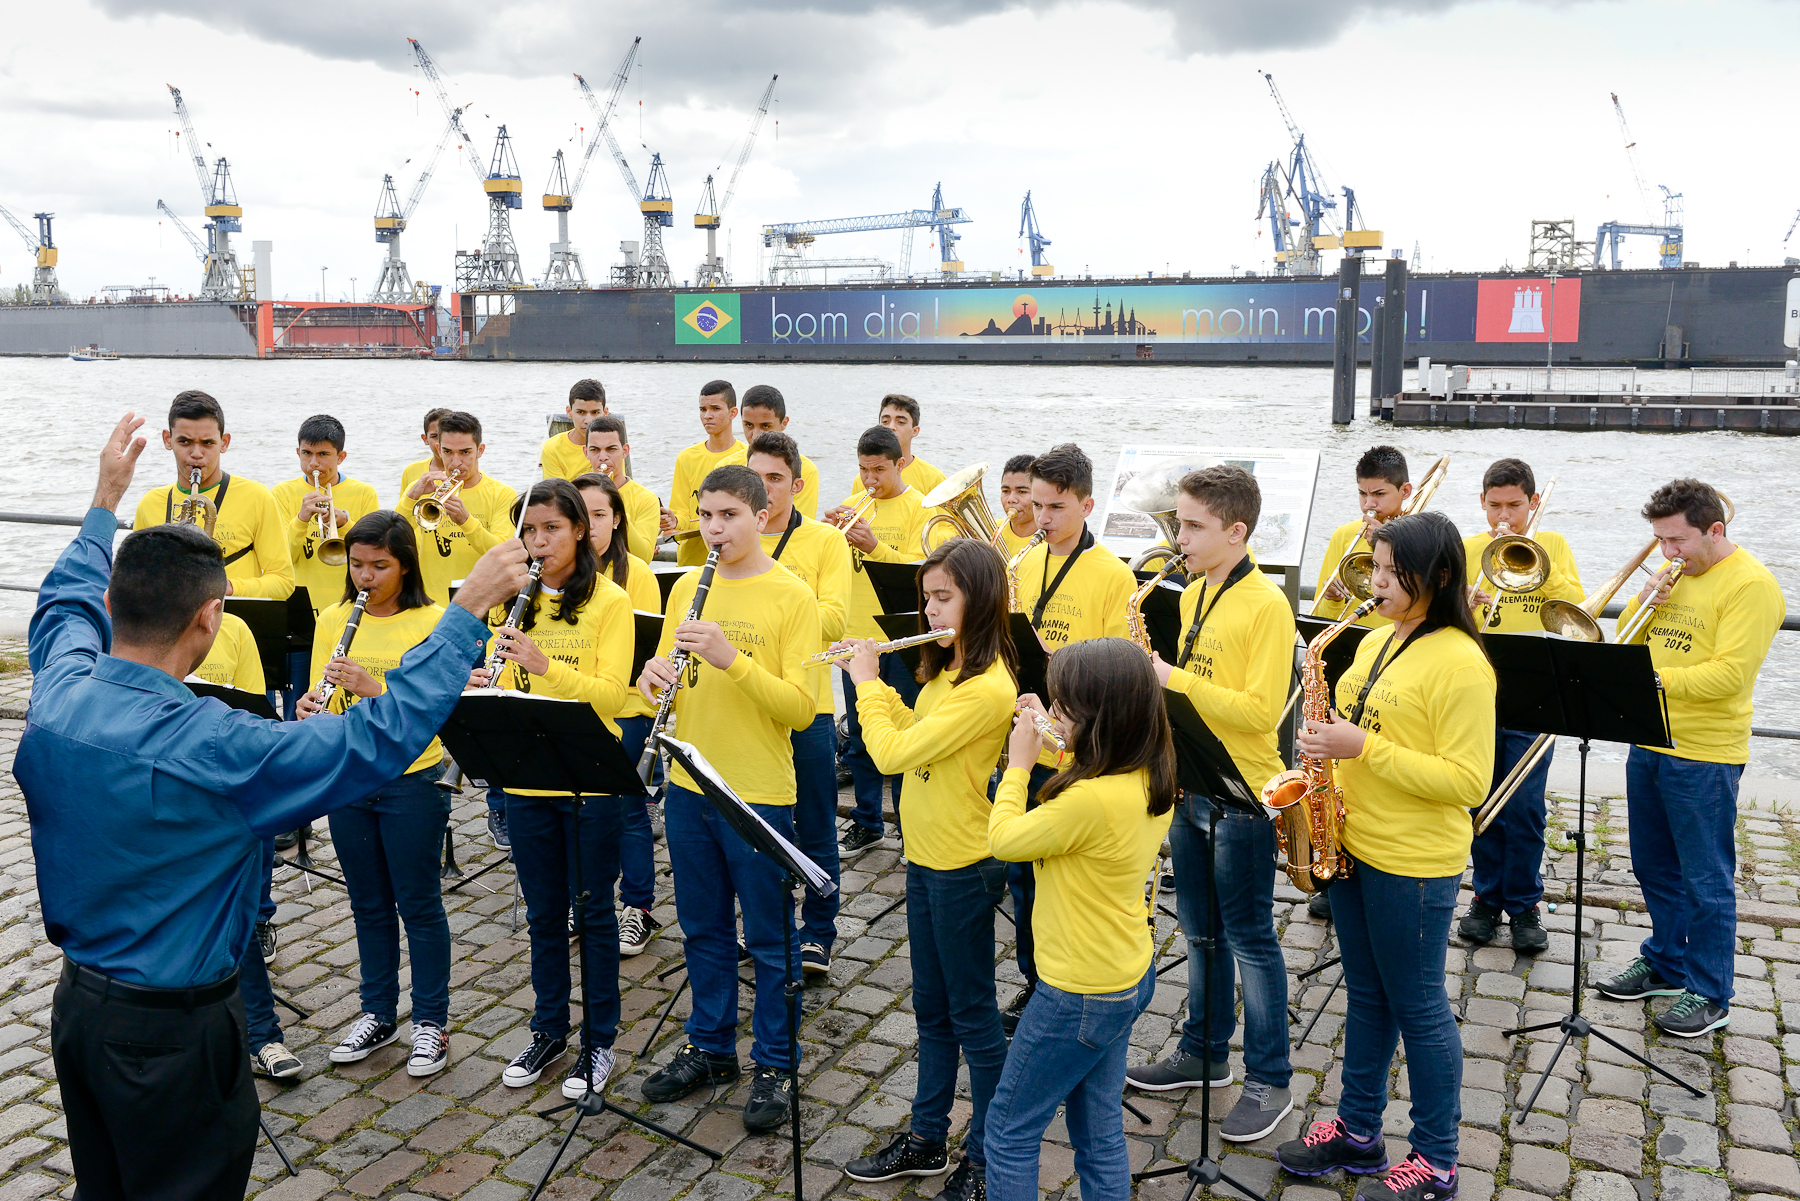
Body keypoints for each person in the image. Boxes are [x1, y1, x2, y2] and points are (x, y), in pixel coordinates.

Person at [20, 413, 525, 1201]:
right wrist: (468, 613)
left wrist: (103, 504)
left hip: (79, 1008)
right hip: (176, 1032)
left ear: (114, 604)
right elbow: (377, 738)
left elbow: (59, 607)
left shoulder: (56, 688)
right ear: (210, 617)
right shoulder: (214, 745)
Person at [1274, 510, 1495, 1201]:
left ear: (1439, 576)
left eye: (1393, 572)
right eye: (1374, 567)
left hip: (1414, 861)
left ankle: (1437, 1160)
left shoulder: (1461, 663)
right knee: (1367, 994)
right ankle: (1360, 1130)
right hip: (1352, 843)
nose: (1376, 583)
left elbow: (1469, 783)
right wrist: (1323, 757)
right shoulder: (1374, 639)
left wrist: (1362, 747)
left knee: (1420, 1006)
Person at [637, 465, 819, 1132]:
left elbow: (801, 709)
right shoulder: (686, 586)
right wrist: (651, 678)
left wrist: (730, 658)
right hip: (689, 784)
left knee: (770, 938)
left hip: (757, 791)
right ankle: (711, 1046)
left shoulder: (792, 596)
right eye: (706, 515)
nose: (715, 528)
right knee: (703, 928)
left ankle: (775, 1062)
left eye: (729, 515)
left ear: (762, 516)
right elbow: (666, 686)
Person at [842, 539, 1018, 1201]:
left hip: (962, 865)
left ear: (982, 600)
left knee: (973, 1016)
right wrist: (884, 689)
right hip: (926, 855)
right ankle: (926, 1137)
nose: (930, 609)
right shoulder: (948, 670)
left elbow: (891, 754)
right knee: (931, 1009)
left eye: (944, 597)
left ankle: (988, 1158)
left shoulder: (987, 687)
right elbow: (915, 733)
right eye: (927, 597)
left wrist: (866, 684)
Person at [1126, 466, 1298, 1142]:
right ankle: (1204, 1051)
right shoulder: (1194, 590)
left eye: (1194, 526)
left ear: (1237, 531)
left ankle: (1270, 1078)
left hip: (1243, 792)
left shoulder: (1266, 604)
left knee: (1250, 939)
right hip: (1191, 779)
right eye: (1179, 523)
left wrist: (1172, 677)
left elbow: (1259, 712)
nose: (1180, 537)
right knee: (1198, 932)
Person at [983, 639, 1177, 1201]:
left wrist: (1019, 765)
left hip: (1077, 992)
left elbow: (1005, 839)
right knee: (1098, 1131)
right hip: (1124, 974)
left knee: (1009, 1131)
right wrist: (1052, 731)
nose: (1052, 711)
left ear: (1098, 719)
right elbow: (1085, 776)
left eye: (1062, 706)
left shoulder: (1088, 803)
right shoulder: (1147, 772)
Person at [1593, 479, 1784, 1038]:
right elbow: (1632, 643)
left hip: (1704, 752)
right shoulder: (1673, 574)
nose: (1667, 552)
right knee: (1653, 866)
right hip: (1650, 739)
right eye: (1660, 540)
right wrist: (1644, 604)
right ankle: (1665, 963)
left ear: (1714, 530)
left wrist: (1649, 682)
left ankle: (1709, 992)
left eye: (1677, 540)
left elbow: (1730, 676)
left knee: (1705, 879)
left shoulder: (1751, 586)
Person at [476, 480, 638, 1096]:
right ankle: (548, 1029)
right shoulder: (512, 599)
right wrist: (485, 682)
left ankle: (600, 1041)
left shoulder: (611, 600)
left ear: (579, 530)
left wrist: (545, 666)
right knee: (543, 914)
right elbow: (506, 686)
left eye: (551, 528)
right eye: (529, 530)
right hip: (527, 775)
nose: (539, 541)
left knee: (593, 913)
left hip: (589, 778)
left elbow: (613, 696)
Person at [295, 513, 457, 1077]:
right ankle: (378, 1012)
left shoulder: (432, 621)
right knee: (367, 902)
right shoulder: (333, 618)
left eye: (380, 566)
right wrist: (310, 708)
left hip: (414, 779)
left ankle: (431, 1022)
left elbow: (437, 709)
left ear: (406, 565)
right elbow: (318, 691)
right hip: (350, 774)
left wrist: (373, 687)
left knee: (419, 903)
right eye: (357, 565)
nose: (365, 576)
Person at [1001, 442, 1136, 1028]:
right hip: (1030, 733)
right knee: (1022, 880)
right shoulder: (1026, 560)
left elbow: (1118, 673)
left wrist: (1054, 661)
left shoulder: (1113, 574)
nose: (1042, 518)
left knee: (1062, 883)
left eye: (1056, 507)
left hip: (1078, 750)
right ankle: (1034, 980)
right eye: (1036, 505)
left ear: (1086, 505)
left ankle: (1063, 985)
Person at [1457, 457, 1583, 953]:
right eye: (1495, 506)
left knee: (1525, 807)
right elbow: (1443, 621)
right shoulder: (1469, 548)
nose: (1504, 516)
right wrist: (1464, 604)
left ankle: (1525, 903)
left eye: (1514, 506)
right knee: (1481, 799)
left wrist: (1538, 564)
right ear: (1482, 503)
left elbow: (1576, 609)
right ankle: (1486, 898)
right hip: (1476, 689)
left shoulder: (1553, 544)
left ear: (1533, 502)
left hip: (1534, 693)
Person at [747, 432, 851, 975]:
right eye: (755, 477)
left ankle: (818, 931)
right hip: (746, 704)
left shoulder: (826, 541)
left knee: (815, 823)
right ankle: (768, 925)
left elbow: (833, 622)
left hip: (809, 704)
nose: (764, 488)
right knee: (757, 824)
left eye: (775, 478)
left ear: (798, 485)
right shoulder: (731, 537)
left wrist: (770, 592)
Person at [572, 470, 665, 957]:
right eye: (580, 515)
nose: (590, 525)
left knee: (628, 810)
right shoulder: (556, 574)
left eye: (599, 515)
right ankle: (586, 899)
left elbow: (641, 655)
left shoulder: (638, 575)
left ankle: (638, 907)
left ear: (616, 519)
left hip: (626, 706)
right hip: (574, 705)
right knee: (578, 809)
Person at [831, 425, 929, 853]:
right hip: (857, 638)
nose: (870, 480)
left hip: (903, 640)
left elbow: (924, 575)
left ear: (900, 464)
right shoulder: (853, 505)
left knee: (907, 736)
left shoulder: (921, 509)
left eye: (879, 470)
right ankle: (868, 822)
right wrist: (824, 536)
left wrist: (876, 547)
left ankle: (910, 829)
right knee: (861, 738)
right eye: (863, 470)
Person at [271, 413, 383, 718]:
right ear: (297, 453)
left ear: (340, 457)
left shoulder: (364, 493)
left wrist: (345, 522)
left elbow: (377, 554)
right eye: (306, 454)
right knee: (299, 702)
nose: (314, 464)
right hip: (299, 615)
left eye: (323, 455)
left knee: (343, 699)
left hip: (346, 609)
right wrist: (301, 519)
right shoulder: (281, 494)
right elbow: (280, 558)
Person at [132, 390, 293, 600]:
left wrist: (228, 587)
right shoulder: (150, 503)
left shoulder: (257, 497)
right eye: (184, 442)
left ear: (224, 442)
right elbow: (137, 581)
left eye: (207, 443)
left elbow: (283, 582)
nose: (196, 454)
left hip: (232, 618)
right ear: (167, 439)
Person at [405, 410, 518, 605]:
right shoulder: (422, 489)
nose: (456, 462)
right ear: (438, 449)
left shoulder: (502, 494)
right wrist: (410, 499)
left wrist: (465, 520)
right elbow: (394, 540)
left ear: (480, 450)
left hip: (482, 603)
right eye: (448, 452)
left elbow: (501, 554)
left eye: (465, 452)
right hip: (431, 603)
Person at [1312, 444, 1411, 627]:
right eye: (1362, 493)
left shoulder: (1421, 537)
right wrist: (1333, 600)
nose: (1368, 504)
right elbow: (1319, 616)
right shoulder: (1343, 536)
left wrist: (1387, 543)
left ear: (1405, 491)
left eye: (1379, 494)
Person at [665, 380, 746, 566]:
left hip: (735, 562)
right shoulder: (686, 458)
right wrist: (673, 520)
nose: (707, 416)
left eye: (715, 409)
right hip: (692, 562)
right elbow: (682, 513)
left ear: (733, 413)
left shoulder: (748, 457)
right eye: (703, 409)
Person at [584, 414, 660, 564]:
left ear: (625, 451)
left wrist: (614, 502)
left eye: (611, 449)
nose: (603, 457)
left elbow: (644, 557)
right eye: (595, 450)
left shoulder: (646, 499)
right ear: (586, 452)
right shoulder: (575, 494)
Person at [737, 384, 821, 518]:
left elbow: (801, 522)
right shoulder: (726, 465)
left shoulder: (807, 471)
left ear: (784, 423)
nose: (756, 434)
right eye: (748, 425)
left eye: (765, 426)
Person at [847, 393, 946, 498]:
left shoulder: (934, 479)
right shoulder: (863, 480)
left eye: (900, 422)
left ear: (915, 431)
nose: (891, 427)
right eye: (885, 421)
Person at [541, 378, 610, 481]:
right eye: (581, 412)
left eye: (595, 412)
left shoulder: (613, 445)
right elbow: (557, 490)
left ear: (605, 413)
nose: (588, 420)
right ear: (569, 412)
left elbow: (619, 486)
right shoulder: (551, 449)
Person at [398, 407, 452, 501]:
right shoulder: (411, 471)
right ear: (425, 439)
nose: (441, 443)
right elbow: (401, 509)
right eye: (435, 436)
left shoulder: (470, 474)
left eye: (447, 435)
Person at [996, 453, 1039, 558]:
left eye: (1022, 492)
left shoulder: (1052, 540)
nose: (1011, 499)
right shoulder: (990, 530)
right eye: (1006, 491)